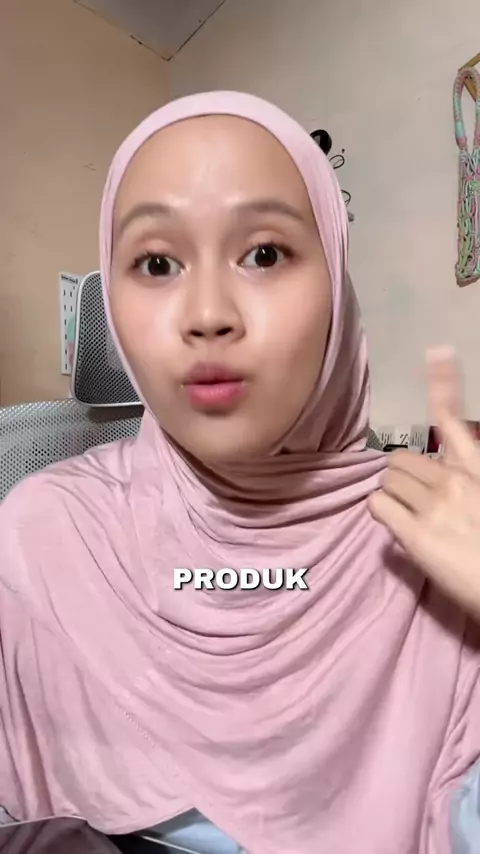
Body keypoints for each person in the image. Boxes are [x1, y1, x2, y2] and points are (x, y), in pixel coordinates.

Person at [1, 91, 480, 854]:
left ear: (337, 288)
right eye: (157, 263)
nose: (208, 314)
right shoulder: (41, 538)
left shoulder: (440, 547)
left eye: (264, 254)